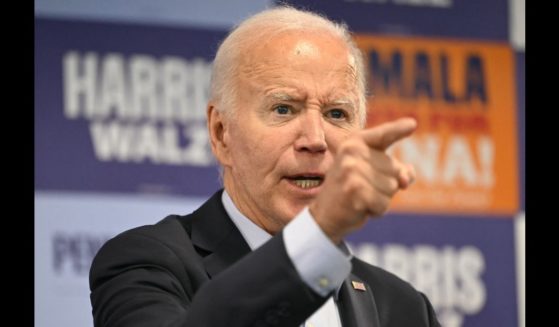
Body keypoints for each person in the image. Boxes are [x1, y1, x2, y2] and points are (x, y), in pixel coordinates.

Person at [89, 6, 441, 327]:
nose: (315, 139)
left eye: (337, 113)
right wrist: (317, 236)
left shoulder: (406, 308)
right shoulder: (146, 264)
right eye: (284, 109)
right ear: (221, 133)